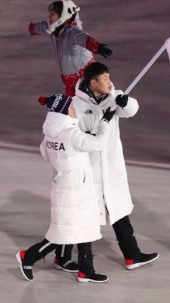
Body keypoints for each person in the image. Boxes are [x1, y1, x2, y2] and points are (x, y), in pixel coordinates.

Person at [16, 93, 116, 283]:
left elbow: (45, 153)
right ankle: (28, 256)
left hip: (65, 186)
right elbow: (99, 143)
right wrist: (105, 122)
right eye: (71, 108)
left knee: (83, 226)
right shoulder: (72, 134)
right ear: (62, 112)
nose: (74, 110)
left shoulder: (51, 135)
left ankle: (85, 269)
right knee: (63, 233)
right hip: (75, 189)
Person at [72, 62, 159, 269]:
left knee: (119, 212)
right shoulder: (77, 104)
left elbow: (131, 110)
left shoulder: (114, 96)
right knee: (88, 215)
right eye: (104, 79)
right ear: (92, 83)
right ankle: (85, 263)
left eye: (109, 77)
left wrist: (125, 102)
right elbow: (79, 131)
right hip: (90, 168)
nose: (109, 82)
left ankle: (132, 255)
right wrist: (101, 121)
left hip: (111, 167)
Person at [28, 0, 112, 97]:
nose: (49, 16)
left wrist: (96, 47)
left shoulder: (72, 32)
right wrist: (33, 28)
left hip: (85, 80)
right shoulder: (53, 30)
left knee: (92, 106)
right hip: (70, 82)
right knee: (72, 110)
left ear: (63, 16)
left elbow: (83, 38)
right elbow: (42, 27)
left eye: (53, 13)